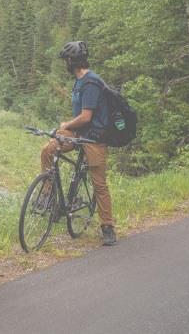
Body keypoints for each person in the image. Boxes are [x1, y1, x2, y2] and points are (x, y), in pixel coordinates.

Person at [41, 41, 118, 246]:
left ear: (70, 61)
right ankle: (48, 195)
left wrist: (67, 124)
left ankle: (108, 227)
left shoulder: (91, 82)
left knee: (99, 184)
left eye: (65, 61)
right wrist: (65, 130)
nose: (64, 64)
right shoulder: (79, 80)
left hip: (95, 138)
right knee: (48, 149)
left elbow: (85, 117)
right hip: (78, 133)